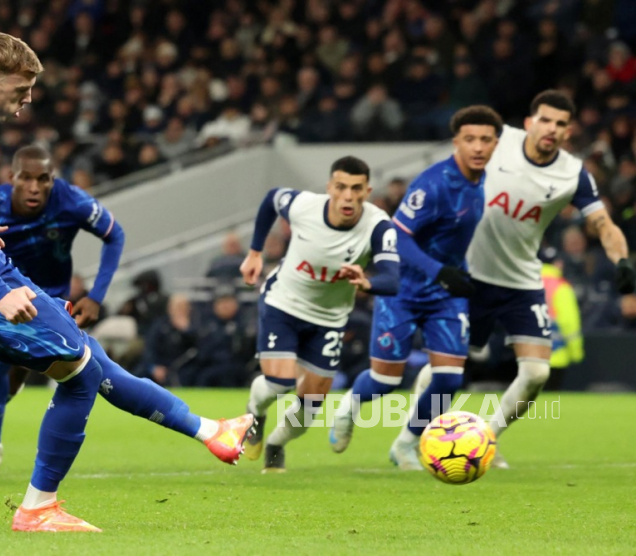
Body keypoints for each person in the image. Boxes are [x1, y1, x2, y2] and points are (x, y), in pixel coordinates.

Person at [0, 33, 213, 534]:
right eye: (21, 88)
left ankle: (204, 430)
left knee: (86, 361)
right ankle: (38, 508)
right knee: (82, 372)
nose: (27, 99)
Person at [0, 145, 253, 479]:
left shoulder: (70, 200)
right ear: (12, 178)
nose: (35, 187)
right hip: (3, 299)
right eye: (27, 179)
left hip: (49, 301)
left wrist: (96, 296)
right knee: (82, 369)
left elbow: (114, 234)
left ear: (53, 180)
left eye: (43, 179)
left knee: (71, 374)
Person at [402, 90, 635, 468]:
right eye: (545, 120)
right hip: (469, 274)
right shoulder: (498, 143)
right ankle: (411, 438)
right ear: (529, 123)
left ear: (568, 131)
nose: (551, 129)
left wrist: (622, 259)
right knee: (449, 367)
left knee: (537, 372)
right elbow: (452, 172)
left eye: (560, 124)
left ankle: (485, 438)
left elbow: (603, 223)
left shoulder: (572, 174)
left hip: (521, 279)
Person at [328, 106, 503, 467]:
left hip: (446, 294)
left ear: (496, 144)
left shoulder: (487, 179)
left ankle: (406, 443)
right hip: (404, 291)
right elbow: (398, 236)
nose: (478, 147)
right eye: (470, 139)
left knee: (449, 379)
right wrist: (438, 269)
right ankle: (349, 407)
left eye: (486, 139)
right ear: (456, 142)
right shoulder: (434, 183)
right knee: (384, 380)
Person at [240, 156, 400, 472]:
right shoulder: (304, 206)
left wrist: (367, 280)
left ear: (367, 191)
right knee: (279, 382)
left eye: (356, 188)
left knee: (311, 406)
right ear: (329, 188)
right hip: (283, 303)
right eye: (340, 187)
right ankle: (254, 414)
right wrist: (255, 252)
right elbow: (272, 198)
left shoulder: (379, 226)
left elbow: (392, 278)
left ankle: (276, 444)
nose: (348, 196)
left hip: (329, 319)